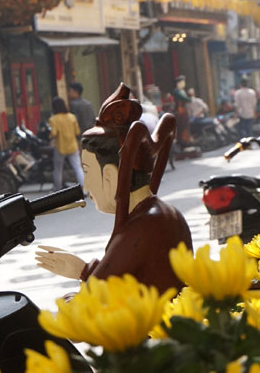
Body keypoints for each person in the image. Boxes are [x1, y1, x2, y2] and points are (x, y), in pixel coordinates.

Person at [35, 83, 193, 294]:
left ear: (109, 175)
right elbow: (117, 277)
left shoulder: (143, 226)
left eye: (88, 172)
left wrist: (83, 274)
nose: (87, 185)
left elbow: (94, 296)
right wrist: (82, 270)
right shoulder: (161, 213)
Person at [48, 96, 85, 191]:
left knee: (58, 169)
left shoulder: (53, 119)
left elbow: (54, 133)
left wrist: (50, 136)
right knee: (77, 167)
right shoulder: (72, 117)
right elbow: (77, 132)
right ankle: (84, 187)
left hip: (60, 147)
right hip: (73, 146)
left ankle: (58, 188)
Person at [172, 75, 192, 142]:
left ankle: (186, 139)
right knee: (182, 126)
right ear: (179, 83)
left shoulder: (181, 91)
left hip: (183, 109)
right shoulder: (177, 91)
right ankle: (183, 140)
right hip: (180, 110)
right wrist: (190, 97)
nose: (184, 84)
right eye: (183, 82)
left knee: (186, 125)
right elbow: (186, 98)